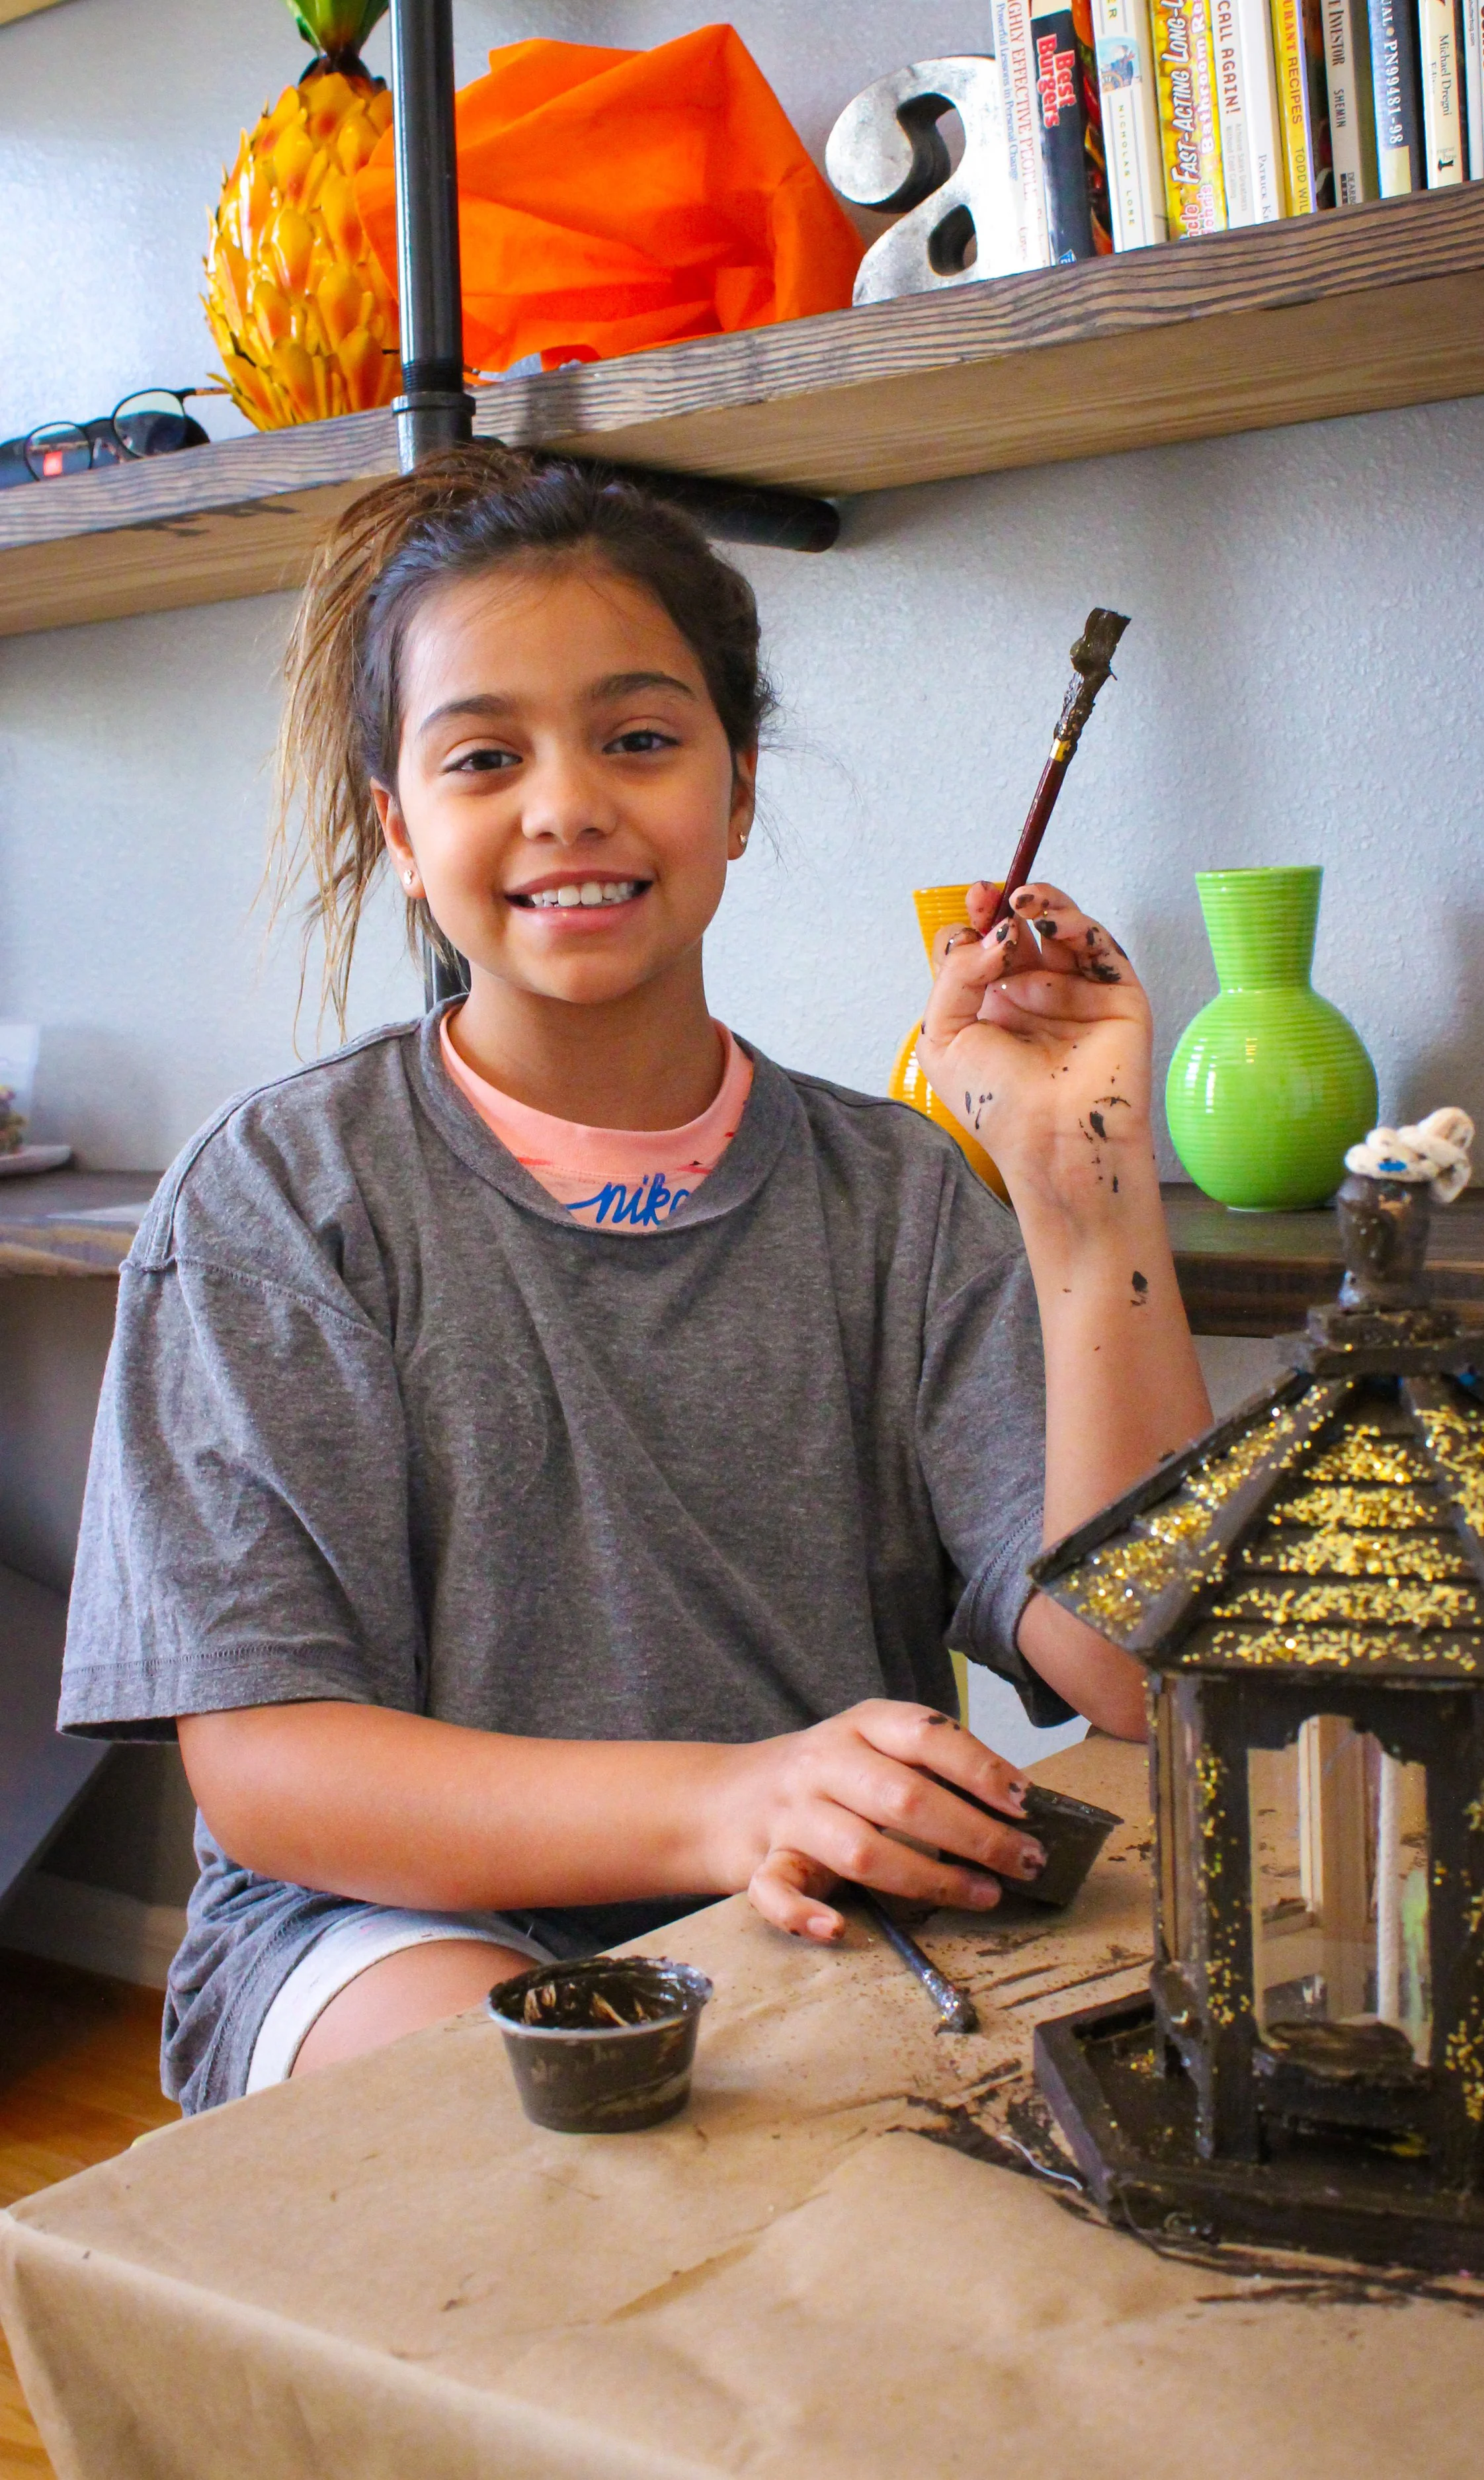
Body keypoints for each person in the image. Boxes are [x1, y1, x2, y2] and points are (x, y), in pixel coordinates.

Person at [60, 448, 1211, 2113]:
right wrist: (722, 1803)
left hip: (819, 1911)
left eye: (640, 739)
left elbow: (1137, 1673)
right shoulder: (277, 1196)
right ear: (398, 828)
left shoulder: (893, 1197)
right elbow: (267, 1777)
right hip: (381, 1926)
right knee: (565, 2131)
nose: (567, 803)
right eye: (481, 757)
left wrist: (1083, 1196)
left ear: (736, 792)